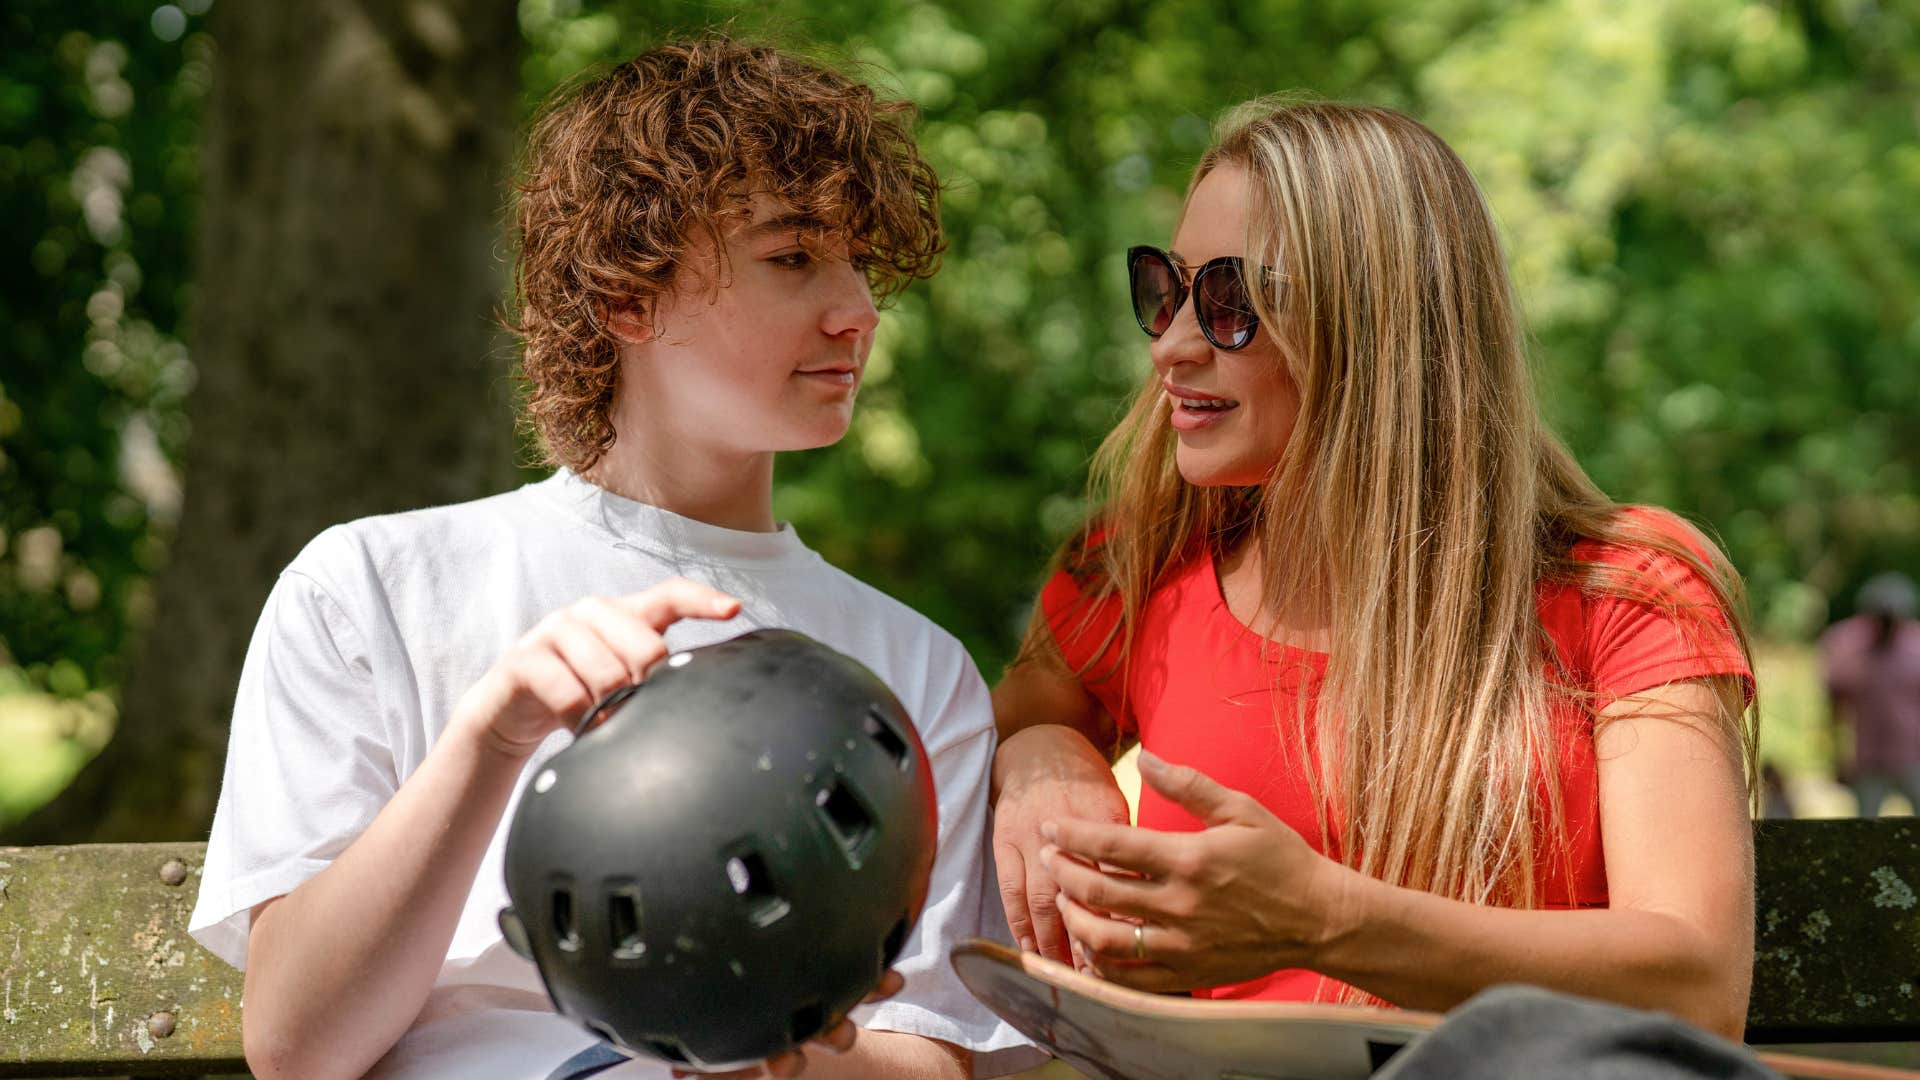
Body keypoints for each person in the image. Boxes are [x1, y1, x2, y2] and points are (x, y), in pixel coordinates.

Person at [188, 37, 1035, 1080]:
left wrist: (767, 1058)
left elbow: (933, 1051)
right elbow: (296, 1047)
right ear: (627, 295)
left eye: (859, 263)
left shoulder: (913, 672)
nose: (856, 310)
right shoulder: (372, 591)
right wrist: (492, 739)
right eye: (792, 257)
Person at [990, 98, 1762, 1040]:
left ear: (1378, 325)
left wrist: (1325, 919)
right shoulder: (1137, 566)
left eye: (1232, 301)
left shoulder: (1626, 590)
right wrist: (1045, 757)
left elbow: (1697, 985)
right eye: (1167, 287)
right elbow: (1008, 727)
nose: (1170, 343)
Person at [1822, 571, 1920, 817]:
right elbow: (1835, 704)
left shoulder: (1915, 645)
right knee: (1866, 822)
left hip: (1913, 753)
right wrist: (1839, 754)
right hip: (1868, 757)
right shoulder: (1847, 644)